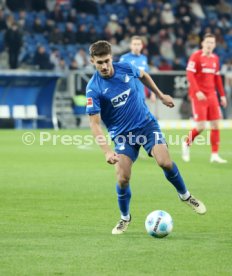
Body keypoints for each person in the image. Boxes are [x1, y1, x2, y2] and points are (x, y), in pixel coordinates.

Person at [86, 40, 206, 235]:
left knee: (165, 162)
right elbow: (94, 123)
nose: (105, 66)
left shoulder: (125, 67)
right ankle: (125, 218)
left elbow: (143, 75)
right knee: (123, 178)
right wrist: (107, 151)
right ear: (92, 61)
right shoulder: (94, 88)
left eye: (107, 61)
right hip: (122, 135)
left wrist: (160, 94)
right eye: (100, 63)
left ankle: (185, 196)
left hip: (146, 125)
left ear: (112, 57)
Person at [182, 33, 228, 163]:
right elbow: (189, 74)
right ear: (202, 43)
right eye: (207, 42)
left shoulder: (215, 58)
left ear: (214, 45)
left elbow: (217, 78)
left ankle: (214, 155)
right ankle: (186, 143)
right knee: (201, 126)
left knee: (215, 124)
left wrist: (222, 95)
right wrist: (197, 91)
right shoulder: (196, 56)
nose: (209, 45)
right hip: (198, 96)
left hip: (211, 95)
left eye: (212, 43)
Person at [119, 35, 156, 104]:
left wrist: (152, 93)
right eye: (134, 44)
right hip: (128, 97)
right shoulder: (124, 58)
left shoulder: (144, 58)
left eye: (138, 44)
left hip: (141, 96)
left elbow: (147, 77)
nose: (136, 46)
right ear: (130, 46)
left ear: (142, 46)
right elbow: (119, 77)